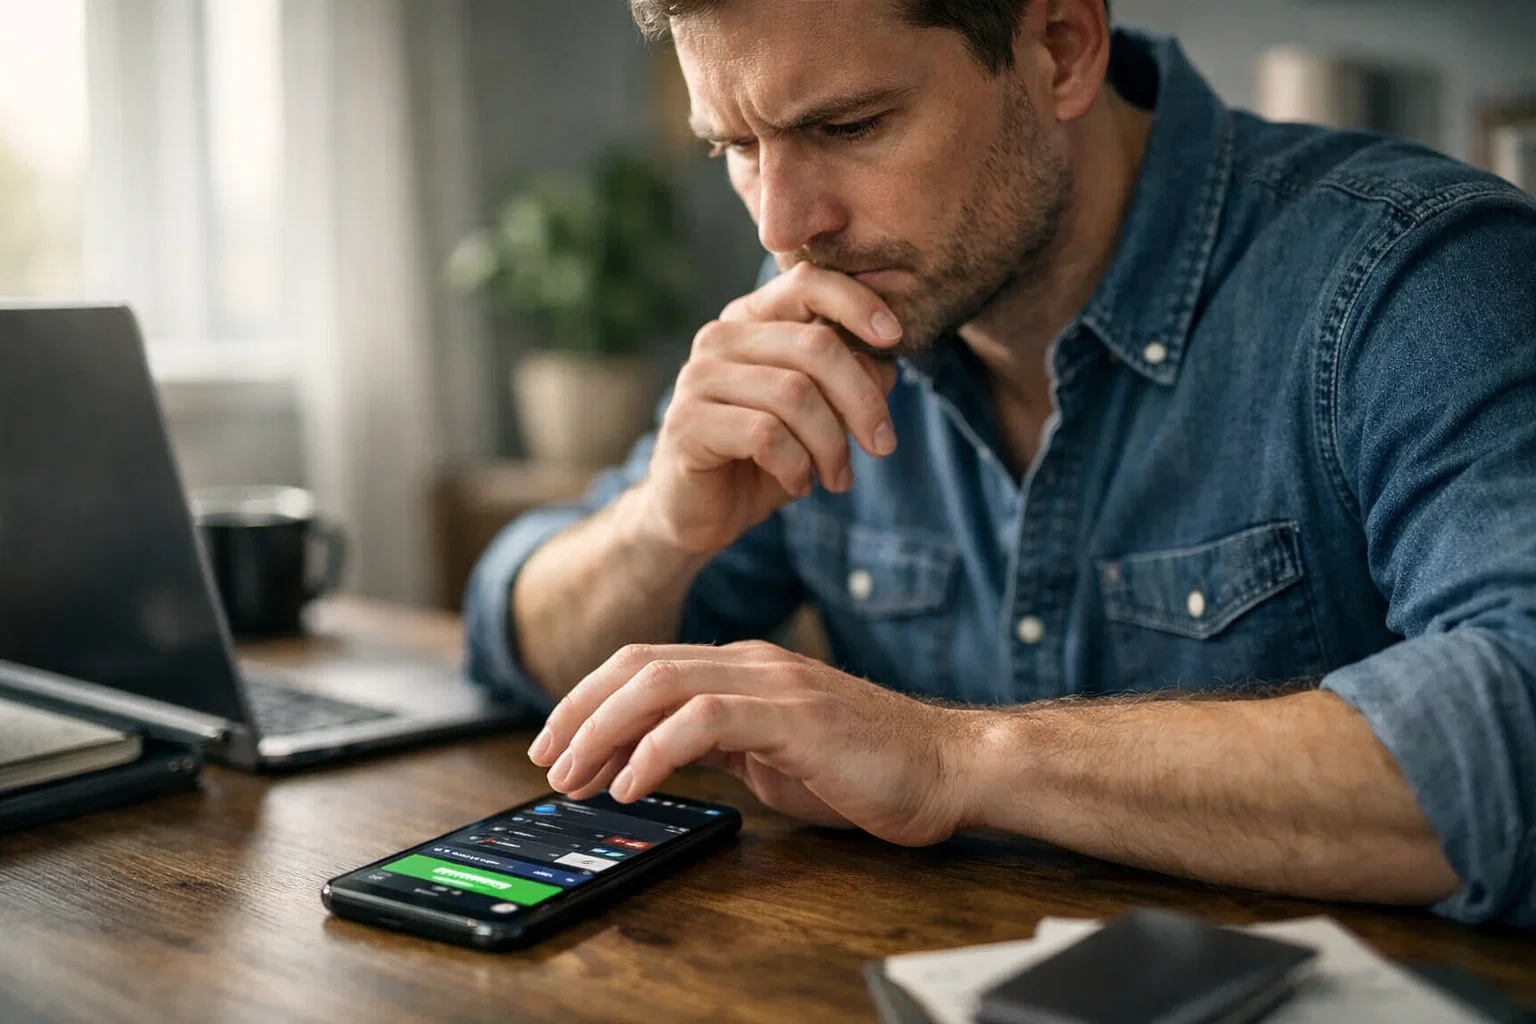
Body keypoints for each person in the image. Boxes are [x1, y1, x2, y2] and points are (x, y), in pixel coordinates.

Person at [464, 0, 1536, 926]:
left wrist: (951, 759)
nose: (788, 224)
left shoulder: (1417, 279)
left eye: (848, 124)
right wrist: (659, 524)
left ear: (1062, 48)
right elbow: (516, 642)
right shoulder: (820, 310)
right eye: (736, 148)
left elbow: (1519, 721)